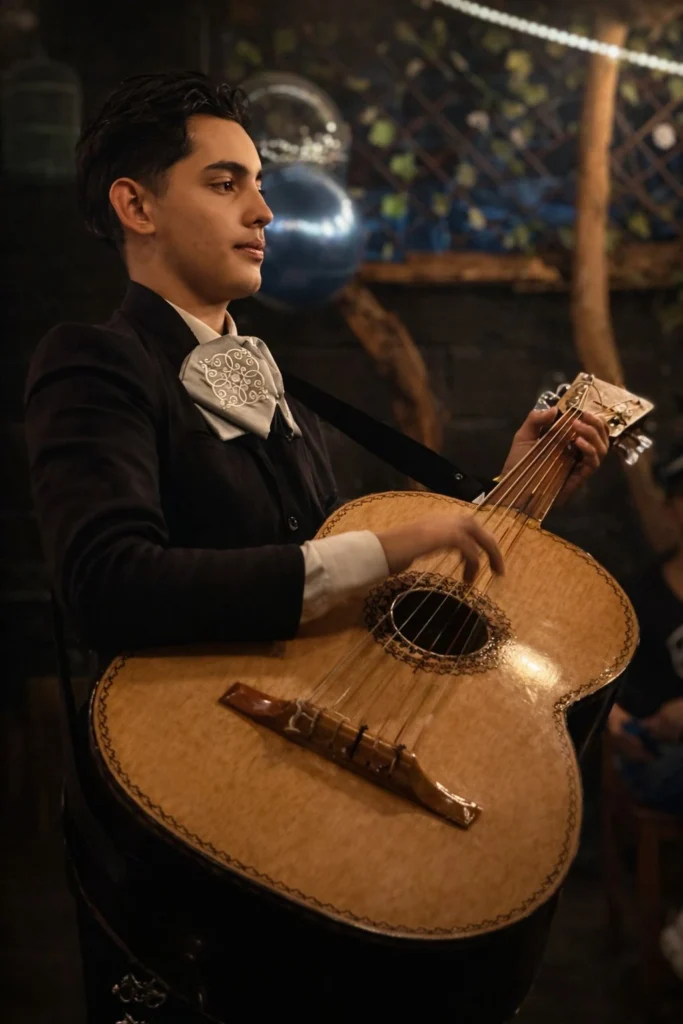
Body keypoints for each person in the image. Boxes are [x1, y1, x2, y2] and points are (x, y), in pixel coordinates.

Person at [23, 71, 609, 1023]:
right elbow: (106, 582)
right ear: (136, 206)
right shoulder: (95, 360)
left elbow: (333, 583)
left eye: (258, 183)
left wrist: (512, 489)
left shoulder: (270, 380)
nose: (263, 210)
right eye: (225, 183)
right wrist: (386, 547)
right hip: (195, 813)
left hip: (300, 791)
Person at [607, 445, 683, 981]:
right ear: (672, 507)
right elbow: (601, 681)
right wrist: (614, 722)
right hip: (653, 750)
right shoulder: (643, 592)